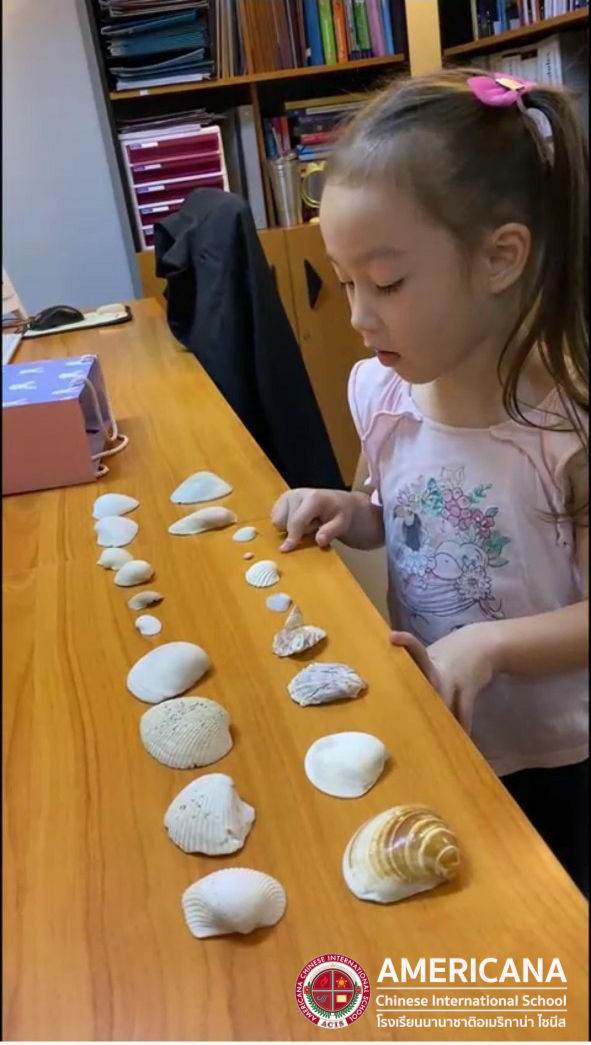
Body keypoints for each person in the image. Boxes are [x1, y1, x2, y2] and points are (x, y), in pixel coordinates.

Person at [271, 69, 589, 895]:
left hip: (561, 754)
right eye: (344, 281)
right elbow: (398, 512)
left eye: (386, 283)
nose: (357, 315)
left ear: (499, 257)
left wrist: (490, 644)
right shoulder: (380, 392)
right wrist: (347, 510)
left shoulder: (562, 430)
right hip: (441, 726)